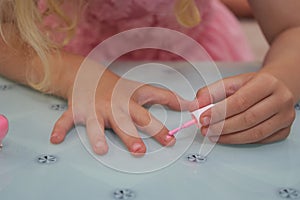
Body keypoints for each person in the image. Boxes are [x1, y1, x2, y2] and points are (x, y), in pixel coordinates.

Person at [0, 0, 299, 156]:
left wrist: (280, 78)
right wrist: (75, 74)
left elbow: (292, 28)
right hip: (57, 53)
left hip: (197, 51)